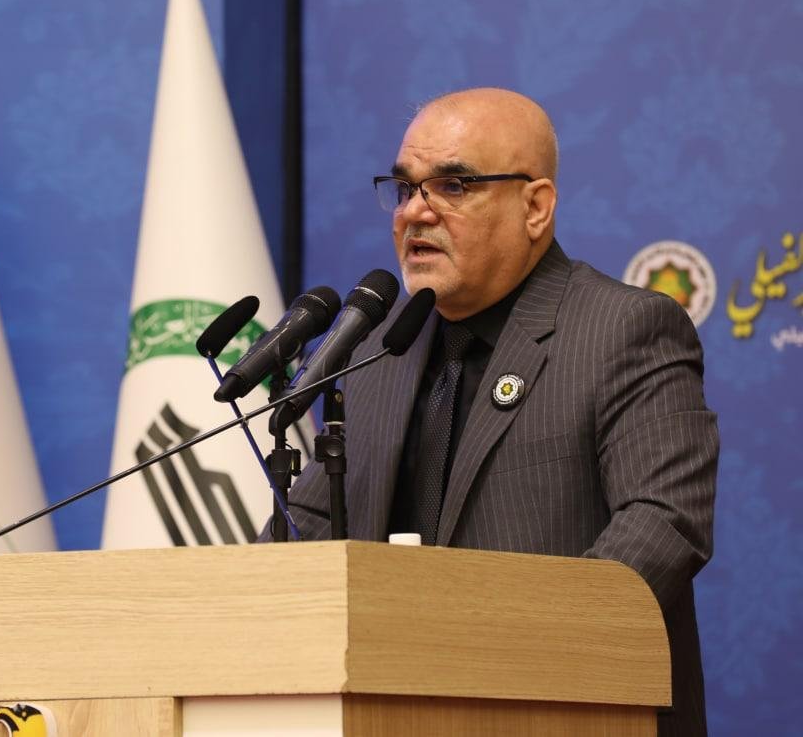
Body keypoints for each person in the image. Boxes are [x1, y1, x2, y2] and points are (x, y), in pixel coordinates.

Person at [278, 88, 718, 736]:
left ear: (535, 207)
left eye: (452, 185)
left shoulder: (624, 329)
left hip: (565, 712)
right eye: (404, 188)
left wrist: (493, 651)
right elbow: (310, 529)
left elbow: (663, 525)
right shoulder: (376, 351)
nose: (414, 212)